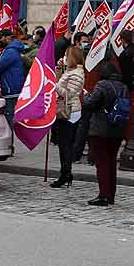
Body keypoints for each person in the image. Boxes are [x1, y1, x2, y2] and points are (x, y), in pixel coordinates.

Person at [80, 59, 127, 206]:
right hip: (117, 128)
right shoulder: (123, 86)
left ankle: (104, 195)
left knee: (102, 163)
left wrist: (85, 95)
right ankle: (111, 194)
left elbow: (90, 103)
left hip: (100, 129)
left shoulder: (102, 85)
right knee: (111, 161)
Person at [50, 46, 86, 188]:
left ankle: (65, 174)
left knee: (65, 145)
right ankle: (65, 173)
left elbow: (69, 93)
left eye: (66, 55)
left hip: (70, 111)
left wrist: (53, 85)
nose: (64, 57)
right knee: (63, 144)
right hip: (65, 110)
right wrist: (58, 70)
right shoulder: (70, 71)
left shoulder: (76, 73)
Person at [0, 34, 26, 121]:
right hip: (13, 88)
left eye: (0, 38)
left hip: (11, 90)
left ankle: (13, 134)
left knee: (10, 118)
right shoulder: (10, 50)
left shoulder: (10, 52)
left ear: (7, 38)